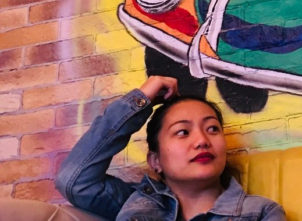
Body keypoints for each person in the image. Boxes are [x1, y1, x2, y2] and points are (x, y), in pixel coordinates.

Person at [55, 76, 286, 221]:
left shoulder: (261, 212)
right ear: (155, 161)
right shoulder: (133, 202)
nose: (202, 140)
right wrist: (141, 100)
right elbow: (74, 181)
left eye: (212, 129)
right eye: (183, 132)